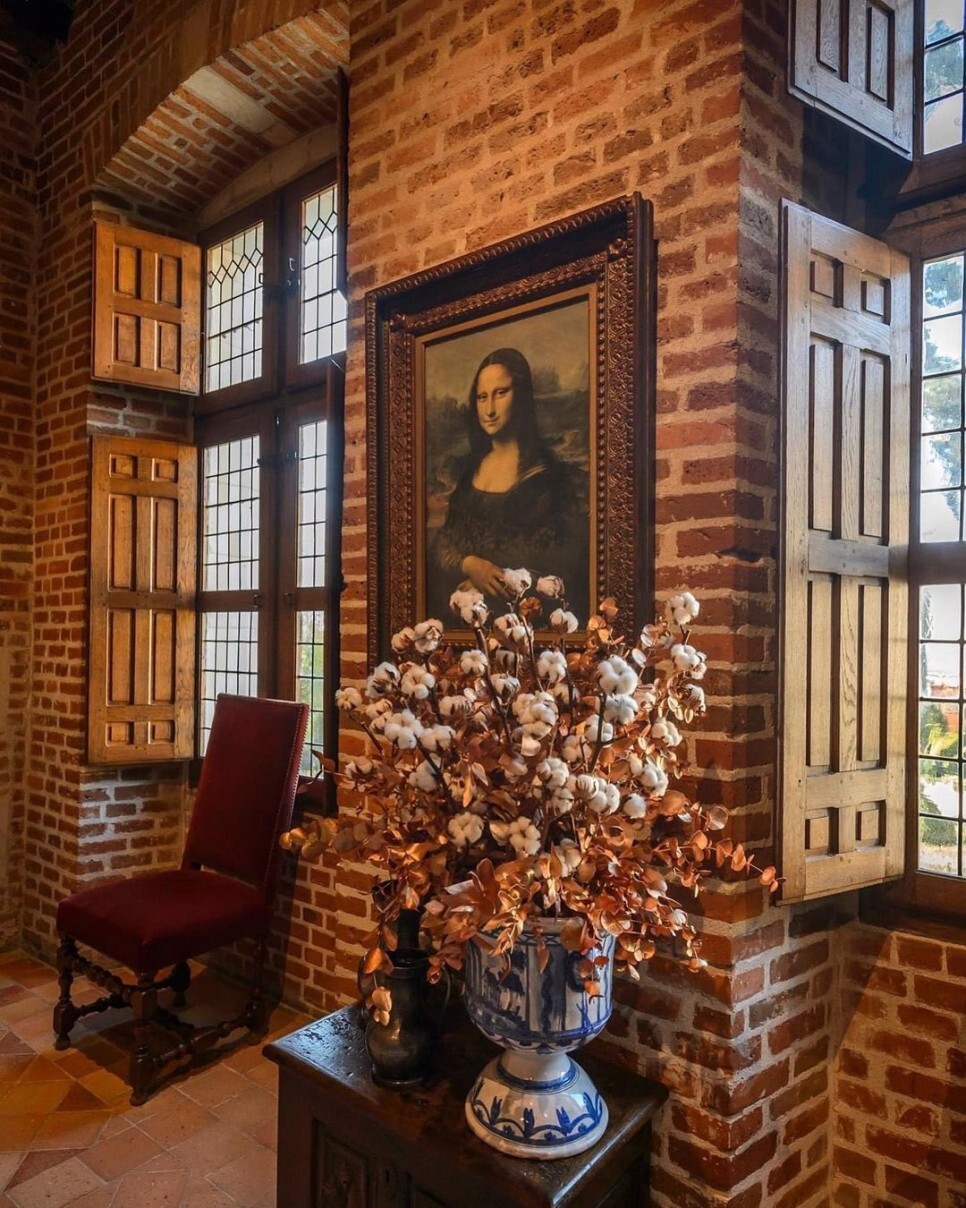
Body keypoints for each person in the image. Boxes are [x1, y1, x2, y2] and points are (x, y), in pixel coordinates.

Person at [429, 347, 589, 621]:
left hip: (527, 626)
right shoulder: (469, 475)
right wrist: (469, 564)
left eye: (501, 393)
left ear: (521, 396)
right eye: (482, 397)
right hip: (467, 625)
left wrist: (489, 579)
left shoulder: (548, 479)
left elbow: (561, 562)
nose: (489, 410)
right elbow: (444, 544)